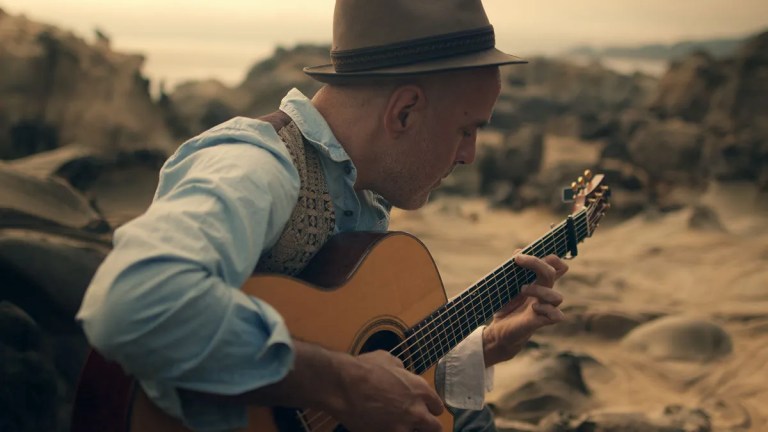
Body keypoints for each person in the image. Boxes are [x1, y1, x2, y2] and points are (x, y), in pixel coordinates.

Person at [76, 0, 568, 431]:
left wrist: (486, 344)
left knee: (468, 416)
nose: (470, 156)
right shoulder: (255, 166)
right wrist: (342, 384)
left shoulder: (358, 193)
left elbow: (355, 361)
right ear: (404, 112)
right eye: (466, 130)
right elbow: (130, 302)